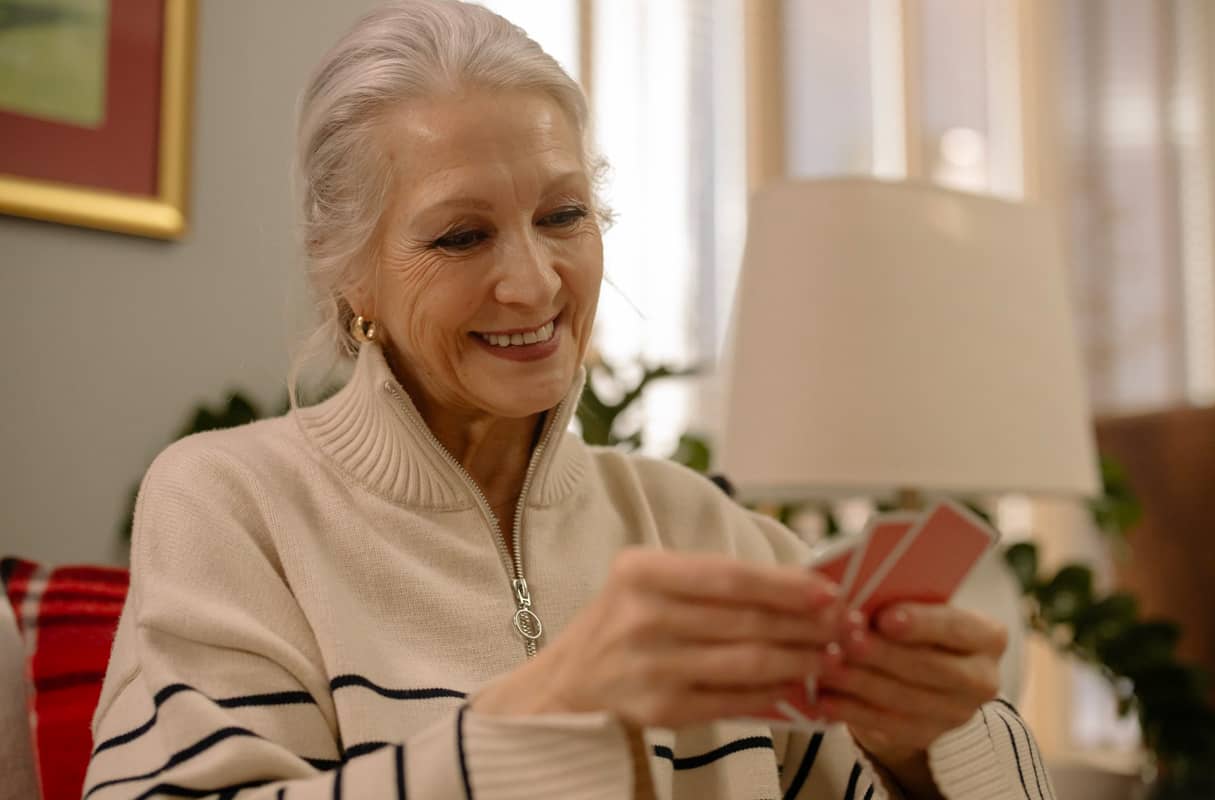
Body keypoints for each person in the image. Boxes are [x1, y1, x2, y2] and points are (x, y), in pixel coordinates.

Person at [85, 2, 1054, 798]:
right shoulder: (231, 503)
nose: (535, 283)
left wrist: (932, 742)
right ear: (349, 274)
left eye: (562, 216)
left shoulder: (703, 529)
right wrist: (546, 711)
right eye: (461, 237)